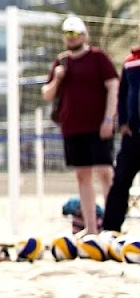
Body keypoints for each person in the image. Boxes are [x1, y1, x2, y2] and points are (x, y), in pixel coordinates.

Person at [42, 16, 119, 236]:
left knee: (105, 172)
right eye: (68, 34)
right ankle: (91, 227)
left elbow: (113, 86)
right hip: (73, 127)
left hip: (98, 125)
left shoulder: (97, 57)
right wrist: (58, 79)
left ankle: (112, 224)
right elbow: (47, 94)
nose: (71, 38)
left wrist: (109, 118)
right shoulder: (62, 62)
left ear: (84, 35)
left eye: (75, 33)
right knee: (82, 175)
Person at [104, 41, 140, 233]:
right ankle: (110, 230)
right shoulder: (130, 61)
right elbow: (123, 94)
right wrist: (123, 123)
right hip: (133, 138)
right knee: (119, 182)